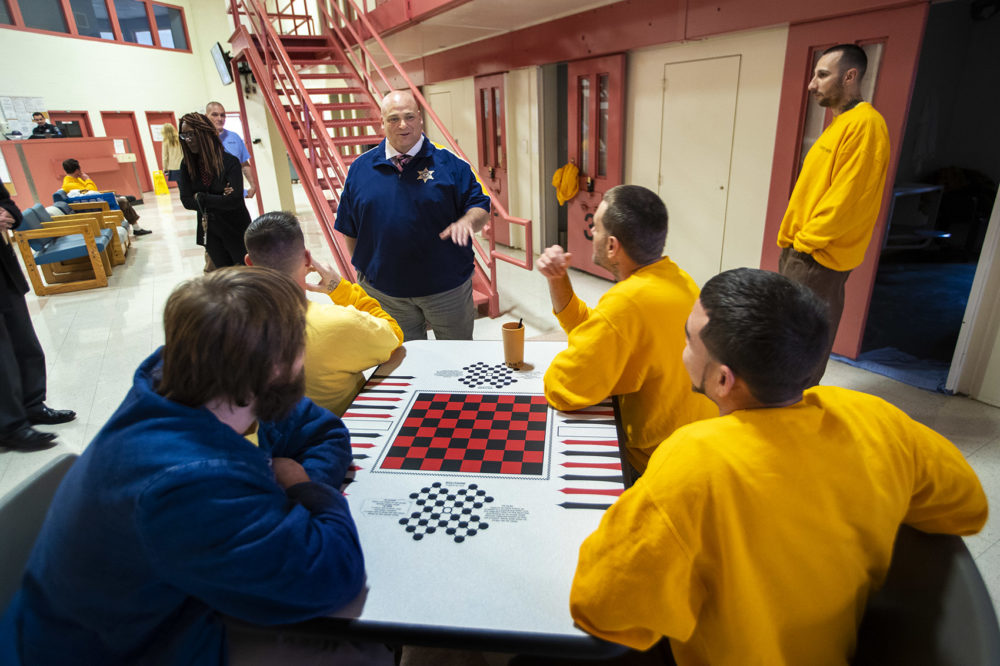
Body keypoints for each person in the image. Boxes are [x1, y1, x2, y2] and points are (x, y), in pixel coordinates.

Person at [570, 268, 988, 665]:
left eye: (688, 340)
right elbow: (967, 506)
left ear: (722, 380)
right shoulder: (874, 417)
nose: (682, 349)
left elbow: (601, 608)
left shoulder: (693, 464)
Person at [0, 267, 392, 665]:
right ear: (273, 367)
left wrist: (288, 506)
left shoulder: (205, 381)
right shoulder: (189, 481)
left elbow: (323, 432)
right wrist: (300, 488)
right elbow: (333, 576)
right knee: (368, 654)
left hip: (176, 604)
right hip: (127, 649)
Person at [536, 185, 714, 474]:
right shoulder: (679, 279)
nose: (591, 232)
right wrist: (557, 279)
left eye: (595, 227)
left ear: (612, 246)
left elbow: (563, 389)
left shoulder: (627, 303)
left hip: (653, 464)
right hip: (694, 448)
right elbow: (603, 331)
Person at [334, 89, 491, 341]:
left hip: (447, 290)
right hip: (386, 293)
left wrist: (467, 221)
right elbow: (350, 228)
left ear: (420, 118)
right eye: (393, 119)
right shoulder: (360, 169)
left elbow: (481, 207)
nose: (403, 125)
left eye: (409, 116)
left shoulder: (451, 164)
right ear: (382, 122)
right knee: (406, 364)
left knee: (458, 360)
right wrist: (367, 272)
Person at [776, 43, 890, 384]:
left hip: (817, 256)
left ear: (850, 76)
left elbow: (848, 198)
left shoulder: (866, 125)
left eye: (822, 75)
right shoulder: (841, 124)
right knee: (788, 337)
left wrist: (806, 243)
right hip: (802, 250)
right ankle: (781, 407)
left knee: (801, 342)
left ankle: (796, 414)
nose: (812, 84)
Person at [244, 211, 403, 416]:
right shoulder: (340, 324)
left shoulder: (227, 327)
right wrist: (340, 289)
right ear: (307, 258)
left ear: (249, 262)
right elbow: (394, 334)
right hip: (336, 438)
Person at [0, 182, 76, 451]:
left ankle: (33, 405)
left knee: (25, 343)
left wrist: (8, 214)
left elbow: (9, 204)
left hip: (4, 271)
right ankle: (10, 426)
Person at [177, 112, 251, 269]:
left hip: (235, 229)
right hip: (210, 231)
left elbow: (235, 200)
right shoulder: (187, 165)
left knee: (245, 276)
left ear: (204, 133)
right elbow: (186, 201)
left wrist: (200, 197)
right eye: (184, 136)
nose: (188, 140)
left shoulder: (229, 162)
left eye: (191, 134)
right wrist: (220, 197)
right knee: (223, 278)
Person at [61, 158, 152, 236]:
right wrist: (87, 179)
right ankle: (136, 228)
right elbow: (92, 191)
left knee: (122, 199)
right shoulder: (69, 184)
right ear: (77, 170)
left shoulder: (76, 180)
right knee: (123, 201)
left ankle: (121, 199)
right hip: (92, 205)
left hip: (93, 199)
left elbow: (92, 191)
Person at [206, 101, 257, 199]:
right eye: (215, 115)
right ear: (206, 116)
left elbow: (244, 163)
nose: (220, 119)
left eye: (222, 115)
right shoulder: (201, 140)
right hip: (213, 197)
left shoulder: (234, 137)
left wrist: (252, 185)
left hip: (236, 194)